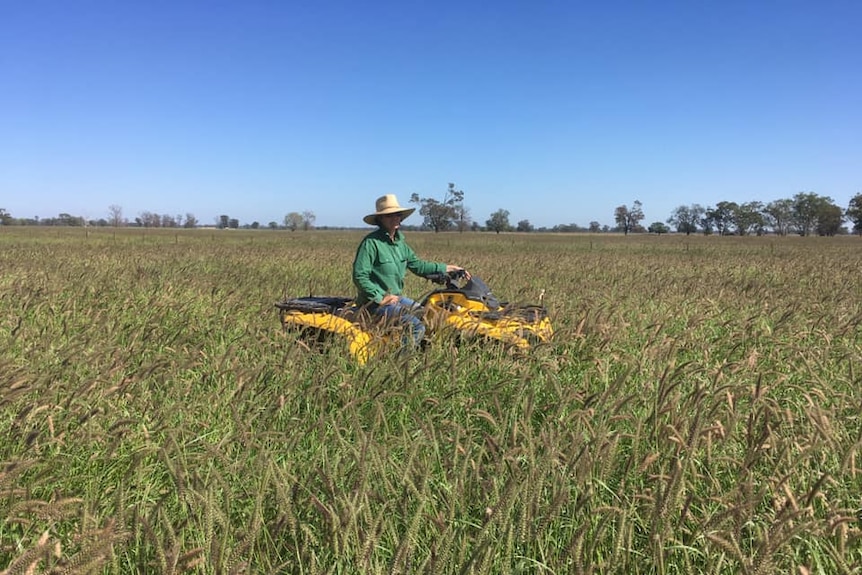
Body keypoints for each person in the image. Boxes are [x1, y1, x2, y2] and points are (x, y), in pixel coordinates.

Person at [352, 194, 469, 351]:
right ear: (380, 219)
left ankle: (417, 350)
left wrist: (447, 268)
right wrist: (381, 297)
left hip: (396, 298)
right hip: (374, 304)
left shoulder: (400, 243)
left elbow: (418, 266)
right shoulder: (371, 243)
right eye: (389, 215)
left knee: (426, 313)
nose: (395, 218)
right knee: (416, 327)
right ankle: (401, 364)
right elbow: (360, 275)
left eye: (397, 214)